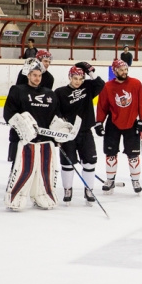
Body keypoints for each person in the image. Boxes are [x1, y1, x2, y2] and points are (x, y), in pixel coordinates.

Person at [3, 58, 77, 211]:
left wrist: (60, 130)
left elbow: (55, 117)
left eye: (39, 75)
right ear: (28, 75)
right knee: (24, 170)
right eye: (34, 75)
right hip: (25, 141)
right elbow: (9, 113)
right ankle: (16, 196)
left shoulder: (49, 94)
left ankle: (43, 195)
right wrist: (22, 124)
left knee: (46, 171)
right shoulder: (17, 90)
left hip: (45, 141)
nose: (37, 78)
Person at [54, 62, 105, 206]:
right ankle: (67, 190)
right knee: (68, 163)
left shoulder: (87, 88)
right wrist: (59, 129)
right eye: (75, 78)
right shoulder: (60, 92)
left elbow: (100, 84)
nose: (78, 81)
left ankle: (89, 190)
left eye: (81, 79)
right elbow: (56, 112)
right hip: (68, 134)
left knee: (90, 162)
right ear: (70, 77)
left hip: (85, 132)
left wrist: (91, 71)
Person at [95, 59, 142, 194]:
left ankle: (135, 180)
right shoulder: (107, 87)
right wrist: (99, 122)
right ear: (115, 71)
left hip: (131, 123)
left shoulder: (136, 84)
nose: (124, 72)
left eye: (125, 69)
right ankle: (110, 180)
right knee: (110, 154)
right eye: (121, 70)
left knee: (133, 155)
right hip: (113, 124)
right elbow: (102, 106)